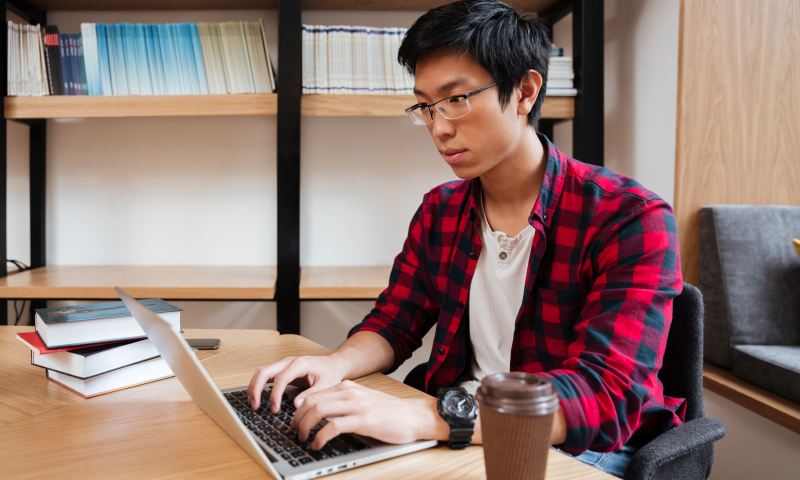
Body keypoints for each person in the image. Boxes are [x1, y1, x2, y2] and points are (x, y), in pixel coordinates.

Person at [248, 1, 685, 477]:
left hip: (575, 447)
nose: (439, 127)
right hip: (454, 427)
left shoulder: (629, 217)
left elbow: (605, 394)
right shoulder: (441, 209)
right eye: (425, 106)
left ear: (524, 91)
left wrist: (425, 417)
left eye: (456, 99)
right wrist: (335, 364)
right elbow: (395, 321)